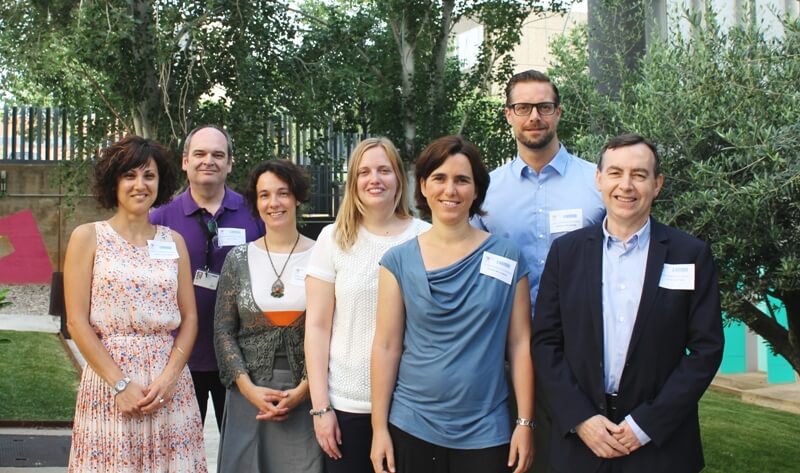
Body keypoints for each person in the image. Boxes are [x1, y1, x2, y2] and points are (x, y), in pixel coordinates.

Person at [532, 133, 724, 472]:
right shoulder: (565, 253)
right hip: (581, 444)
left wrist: (646, 425)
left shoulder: (690, 255)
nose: (626, 185)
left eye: (639, 174)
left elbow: (706, 350)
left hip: (661, 446)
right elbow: (545, 342)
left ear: (657, 184)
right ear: (599, 179)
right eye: (616, 173)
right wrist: (580, 418)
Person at [370, 135, 534, 473]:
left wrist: (525, 422)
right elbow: (386, 347)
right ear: (423, 186)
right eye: (439, 178)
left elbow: (520, 344)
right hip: (410, 423)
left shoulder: (507, 256)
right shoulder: (398, 261)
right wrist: (379, 429)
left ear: (476, 190)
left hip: (486, 429)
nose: (450, 190)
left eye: (462, 180)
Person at [472, 69, 605, 471]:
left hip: (583, 352)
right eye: (523, 107)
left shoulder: (598, 183)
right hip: (506, 353)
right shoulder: (486, 192)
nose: (534, 117)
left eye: (544, 107)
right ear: (508, 114)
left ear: (559, 112)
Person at [65, 136, 207, 471]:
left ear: (161, 182)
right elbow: (76, 322)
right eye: (129, 175)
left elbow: (190, 319)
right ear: (113, 181)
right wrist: (120, 384)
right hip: (110, 384)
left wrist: (170, 378)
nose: (140, 185)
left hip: (167, 388)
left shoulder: (174, 242)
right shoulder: (88, 237)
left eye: (149, 175)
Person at [304, 137, 430, 473]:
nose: (374, 179)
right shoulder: (333, 238)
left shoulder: (425, 237)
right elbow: (317, 327)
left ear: (399, 178)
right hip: (348, 405)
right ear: (353, 182)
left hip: (412, 405)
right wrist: (321, 408)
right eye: (364, 172)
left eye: (384, 170)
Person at [150, 124, 265, 430]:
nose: (208, 161)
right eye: (199, 154)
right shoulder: (160, 217)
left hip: (242, 359)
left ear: (230, 163)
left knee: (240, 448)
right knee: (180, 449)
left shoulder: (254, 214)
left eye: (218, 154)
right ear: (185, 161)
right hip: (179, 360)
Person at [213, 160, 323, 472]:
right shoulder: (238, 259)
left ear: (297, 198)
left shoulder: (323, 255)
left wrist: (305, 389)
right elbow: (223, 331)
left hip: (306, 396)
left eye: (282, 193)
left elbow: (333, 330)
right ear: (256, 202)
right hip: (248, 396)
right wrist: (248, 389)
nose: (273, 203)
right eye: (264, 195)